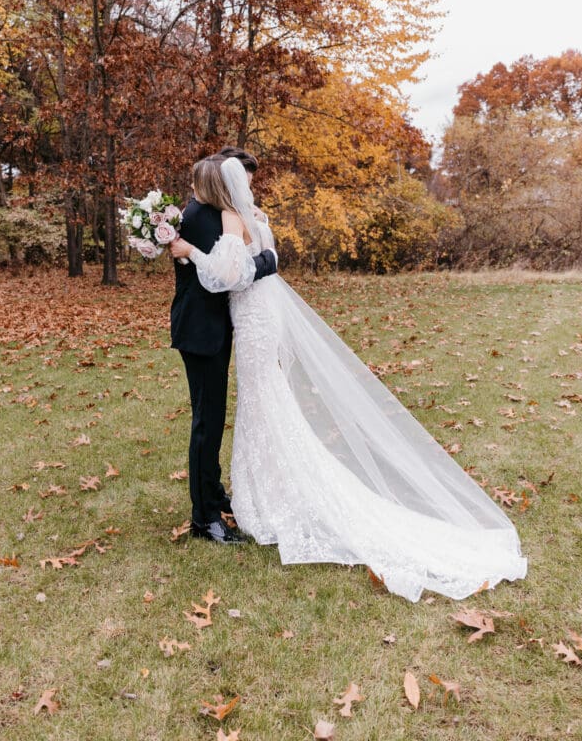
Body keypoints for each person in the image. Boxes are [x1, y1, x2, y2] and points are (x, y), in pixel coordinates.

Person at [170, 157, 528, 603]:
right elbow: (263, 259)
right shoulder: (251, 216)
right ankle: (242, 494)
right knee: (263, 404)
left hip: (252, 320)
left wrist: (193, 252)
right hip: (257, 319)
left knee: (261, 404)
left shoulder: (230, 216)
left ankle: (255, 497)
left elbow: (228, 277)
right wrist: (255, 257)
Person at [170, 154, 279, 544]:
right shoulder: (199, 217)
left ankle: (213, 495)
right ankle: (204, 518)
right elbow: (229, 276)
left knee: (213, 417)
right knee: (207, 421)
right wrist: (268, 259)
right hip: (200, 332)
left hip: (214, 328)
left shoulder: (214, 214)